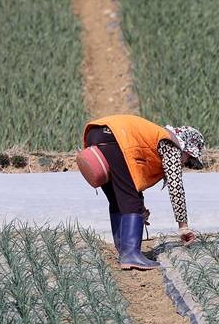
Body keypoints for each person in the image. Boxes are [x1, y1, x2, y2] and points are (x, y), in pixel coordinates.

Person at [82, 114, 204, 270]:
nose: (184, 164)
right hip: (116, 138)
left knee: (118, 199)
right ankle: (131, 255)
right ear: (187, 149)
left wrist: (140, 208)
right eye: (188, 160)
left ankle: (124, 250)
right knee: (129, 200)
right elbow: (176, 187)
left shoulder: (154, 138)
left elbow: (131, 178)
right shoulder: (171, 144)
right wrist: (183, 226)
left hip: (96, 134)